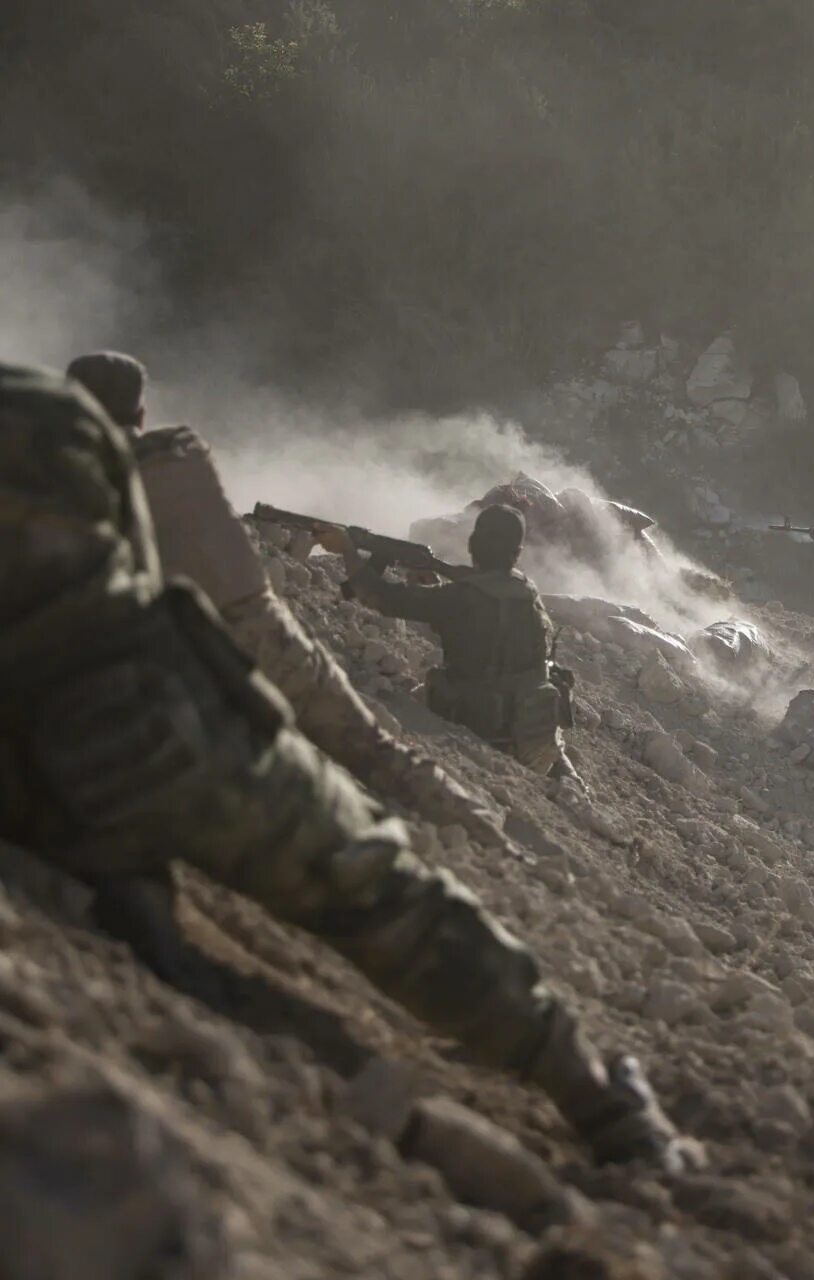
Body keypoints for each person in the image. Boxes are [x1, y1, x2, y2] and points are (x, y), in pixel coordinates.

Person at [0, 360, 697, 1171]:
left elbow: (393, 603)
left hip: (46, 755)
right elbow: (274, 646)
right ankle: (592, 1093)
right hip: (175, 733)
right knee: (379, 891)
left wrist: (360, 574)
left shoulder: (48, 424)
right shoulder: (529, 601)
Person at [64, 351, 506, 851]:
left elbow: (386, 599)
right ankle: (482, 833)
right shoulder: (178, 477)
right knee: (366, 747)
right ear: (141, 417)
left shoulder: (43, 478)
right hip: (235, 651)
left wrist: (360, 561)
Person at [321, 505, 585, 788]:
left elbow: (381, 597)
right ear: (517, 553)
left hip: (484, 743)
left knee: (397, 701)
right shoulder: (528, 592)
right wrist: (438, 588)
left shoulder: (459, 598)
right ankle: (569, 779)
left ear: (472, 544)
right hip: (537, 742)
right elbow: (486, 621)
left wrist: (346, 550)